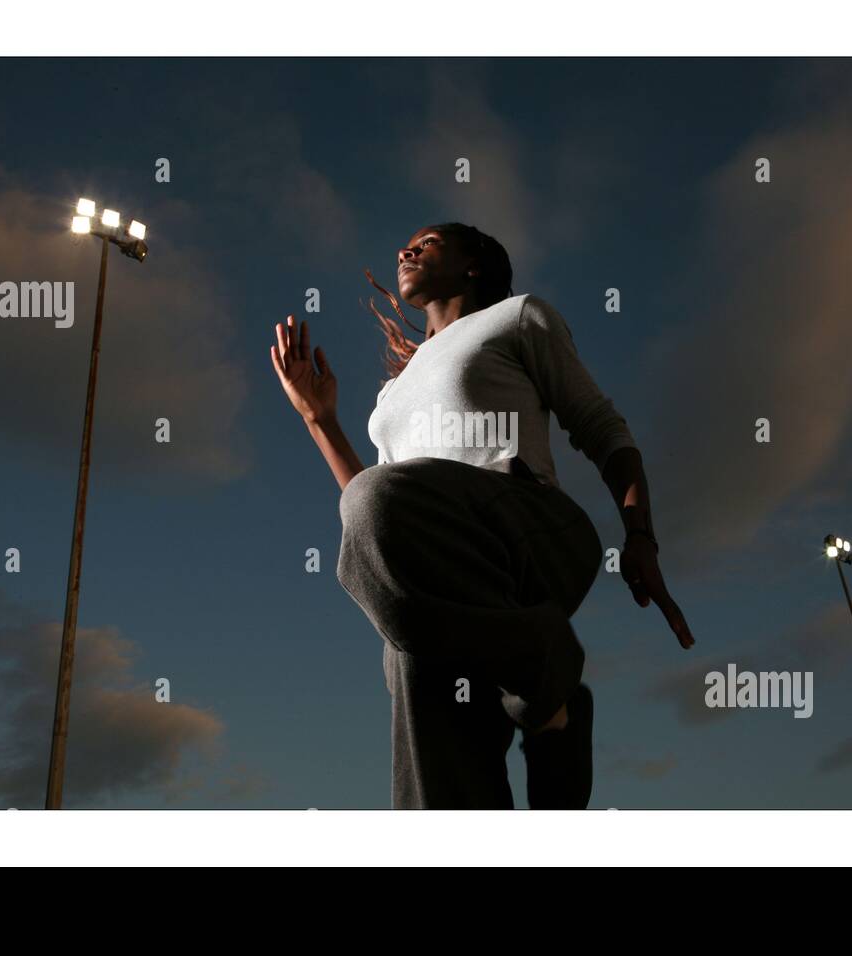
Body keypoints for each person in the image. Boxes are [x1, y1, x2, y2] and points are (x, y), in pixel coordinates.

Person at [270, 223, 696, 809]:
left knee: (376, 507)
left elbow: (603, 429)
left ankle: (543, 671)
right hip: (451, 571)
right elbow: (375, 514)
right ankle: (552, 709)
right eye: (406, 243)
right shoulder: (392, 393)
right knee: (417, 688)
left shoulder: (518, 318)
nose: (405, 250)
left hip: (528, 529)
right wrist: (320, 419)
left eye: (428, 242)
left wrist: (639, 534)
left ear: (474, 265)